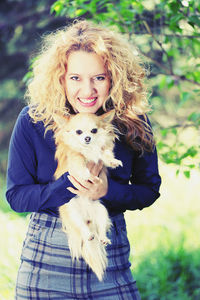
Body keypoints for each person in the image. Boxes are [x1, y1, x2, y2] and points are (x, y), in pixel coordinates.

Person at [6, 19, 161, 299]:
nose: (87, 91)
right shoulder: (33, 120)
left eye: (99, 77)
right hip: (46, 261)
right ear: (60, 77)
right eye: (76, 78)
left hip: (109, 254)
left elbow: (148, 190)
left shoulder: (132, 122)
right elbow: (17, 197)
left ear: (114, 77)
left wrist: (108, 191)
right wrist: (66, 185)